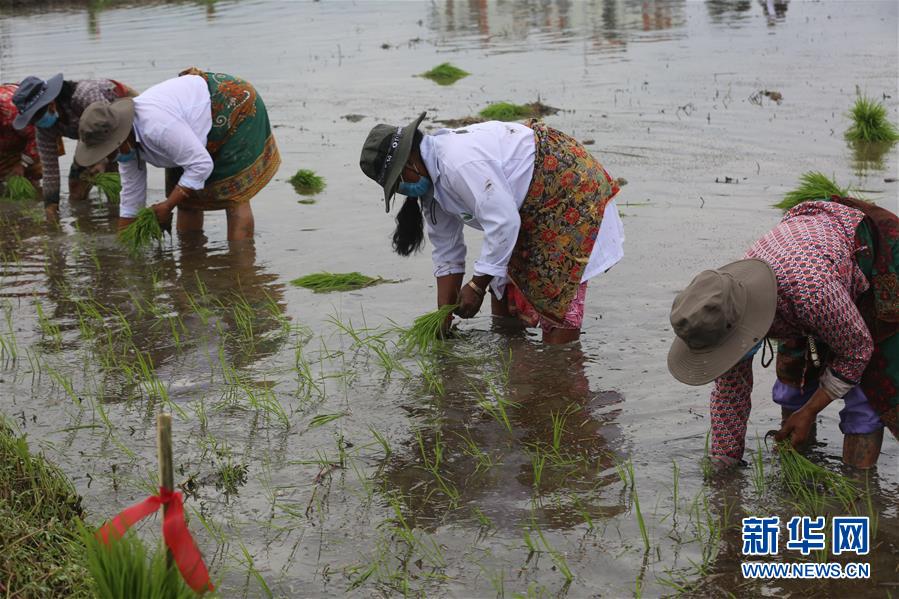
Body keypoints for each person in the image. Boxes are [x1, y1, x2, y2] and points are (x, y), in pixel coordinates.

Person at [668, 197, 898, 470]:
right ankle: (799, 465)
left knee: (867, 393)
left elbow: (857, 351)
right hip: (804, 277)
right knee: (793, 380)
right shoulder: (724, 311)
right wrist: (724, 464)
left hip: (863, 258)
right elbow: (730, 390)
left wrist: (811, 411)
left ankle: (859, 490)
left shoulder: (811, 294)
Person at [359, 112, 624, 344]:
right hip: (526, 209)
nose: (403, 189)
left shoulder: (457, 161)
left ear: (409, 163)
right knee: (504, 301)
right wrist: (443, 318)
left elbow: (504, 222)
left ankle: (559, 377)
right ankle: (521, 374)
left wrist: (476, 286)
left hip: (566, 194)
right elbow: (447, 254)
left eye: (399, 182)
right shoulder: (432, 189)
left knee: (555, 304)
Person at [74, 68, 280, 241]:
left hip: (231, 104)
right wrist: (126, 244)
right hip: (188, 124)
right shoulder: (126, 147)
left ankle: (240, 270)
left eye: (107, 151)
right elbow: (131, 196)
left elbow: (201, 164)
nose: (108, 157)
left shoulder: (157, 128)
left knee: (234, 198)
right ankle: (191, 258)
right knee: (186, 201)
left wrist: (167, 205)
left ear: (119, 136)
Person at [11, 74, 136, 217]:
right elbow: (50, 170)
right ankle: (85, 223)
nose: (37, 122)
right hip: (90, 137)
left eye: (38, 115)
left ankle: (119, 219)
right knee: (76, 183)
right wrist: (51, 207)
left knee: (115, 181)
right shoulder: (43, 127)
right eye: (32, 119)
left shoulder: (85, 96)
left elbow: (112, 128)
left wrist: (102, 160)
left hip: (119, 119)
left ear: (51, 104)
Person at [0, 83, 41, 192]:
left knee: (34, 172)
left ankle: (36, 192)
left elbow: (36, 137)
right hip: (7, 139)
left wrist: (22, 164)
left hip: (34, 131)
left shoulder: (13, 112)